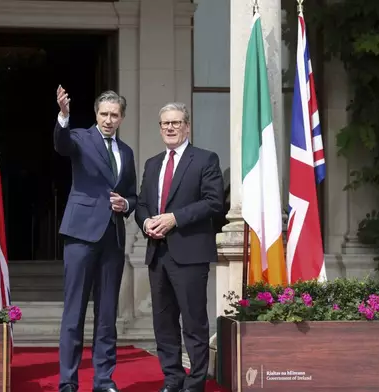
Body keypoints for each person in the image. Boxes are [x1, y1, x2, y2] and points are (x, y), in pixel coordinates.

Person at [134, 103, 224, 392]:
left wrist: (175, 218)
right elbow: (142, 204)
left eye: (176, 122)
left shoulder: (205, 160)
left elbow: (214, 202)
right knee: (164, 324)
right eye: (165, 124)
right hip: (157, 254)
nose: (170, 128)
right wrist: (146, 221)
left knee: (194, 323)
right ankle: (172, 379)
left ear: (187, 126)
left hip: (190, 254)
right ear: (160, 128)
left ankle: (195, 383)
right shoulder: (152, 164)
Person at [54, 86, 137, 392]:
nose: (108, 120)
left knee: (107, 314)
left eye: (115, 115)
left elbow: (132, 194)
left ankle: (104, 380)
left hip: (112, 237)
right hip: (81, 234)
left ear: (122, 117)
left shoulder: (125, 152)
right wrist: (63, 116)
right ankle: (68, 381)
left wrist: (125, 205)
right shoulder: (80, 137)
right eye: (104, 114)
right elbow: (61, 145)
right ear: (95, 114)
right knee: (74, 311)